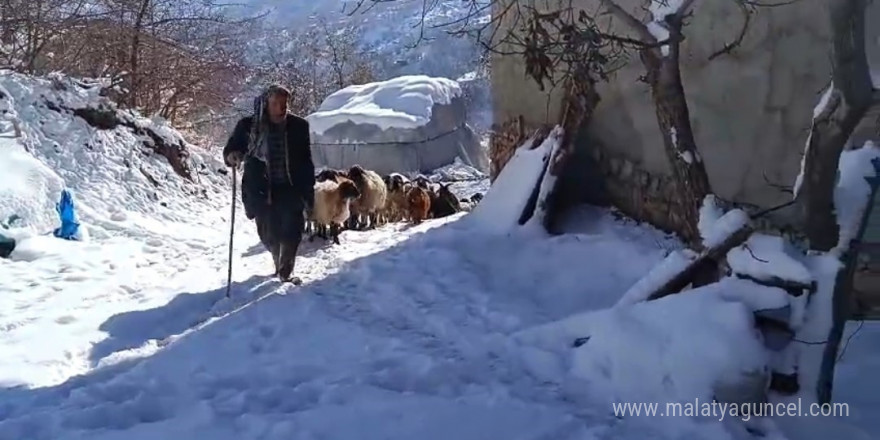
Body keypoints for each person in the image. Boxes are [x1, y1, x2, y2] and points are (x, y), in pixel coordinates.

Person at [223, 85, 315, 284]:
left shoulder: (299, 126)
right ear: (266, 104)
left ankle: (286, 270)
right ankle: (277, 258)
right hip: (261, 187)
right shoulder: (248, 126)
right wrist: (232, 156)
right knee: (268, 232)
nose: (281, 108)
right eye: (276, 103)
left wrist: (308, 191)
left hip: (291, 186)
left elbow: (306, 160)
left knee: (293, 230)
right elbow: (232, 148)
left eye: (284, 103)